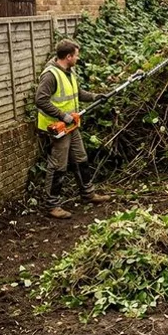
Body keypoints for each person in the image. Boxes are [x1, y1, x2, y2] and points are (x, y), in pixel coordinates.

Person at [35, 39, 111, 219]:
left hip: (71, 126)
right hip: (58, 127)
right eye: (76, 55)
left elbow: (77, 93)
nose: (78, 57)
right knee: (58, 166)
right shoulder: (50, 75)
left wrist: (95, 97)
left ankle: (88, 194)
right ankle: (52, 206)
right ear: (68, 56)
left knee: (80, 158)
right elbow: (40, 100)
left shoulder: (69, 71)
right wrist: (62, 116)